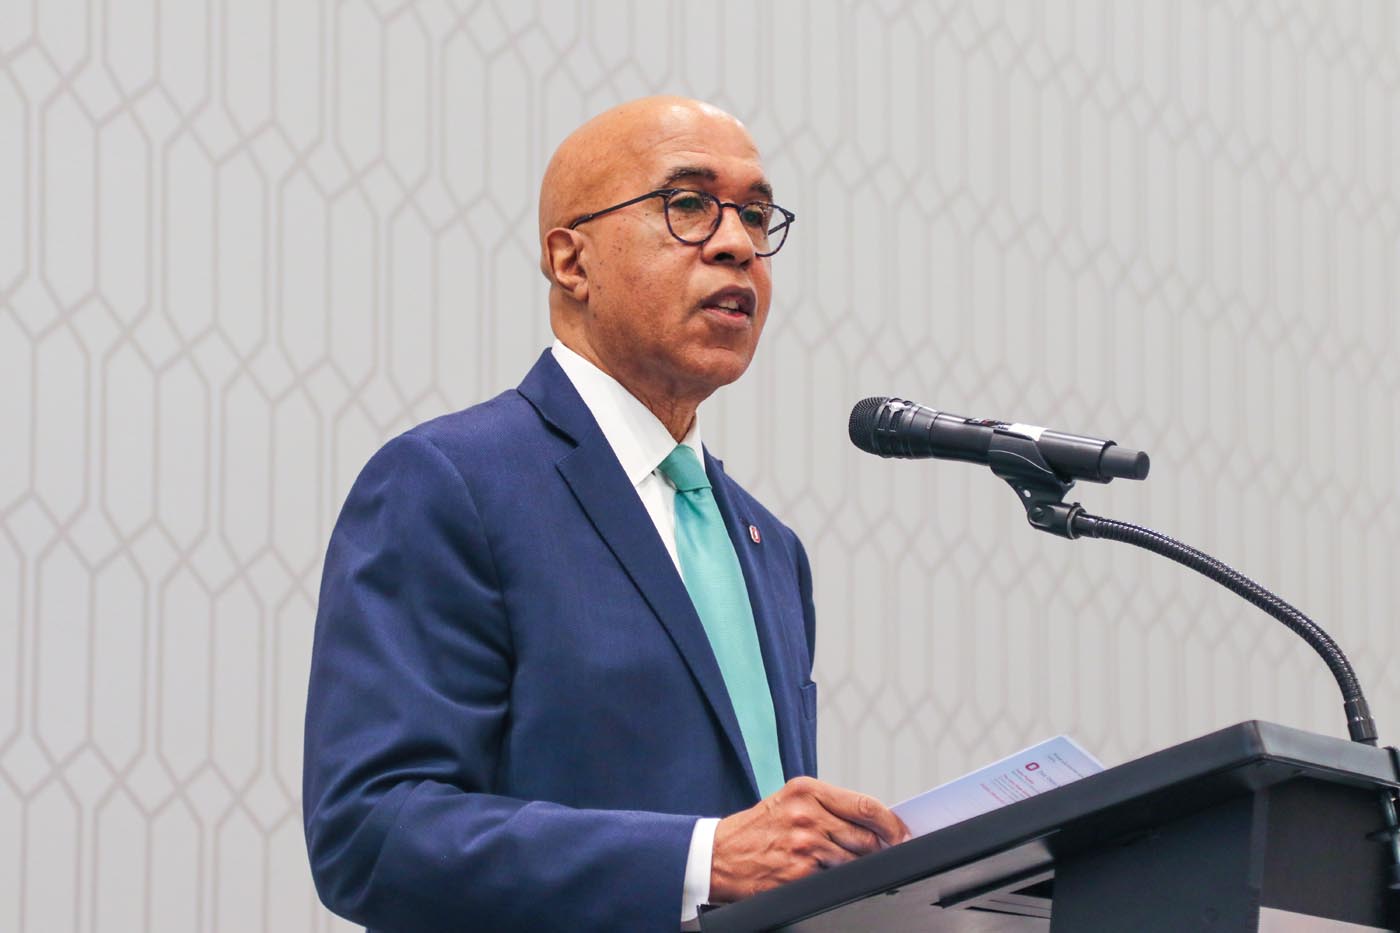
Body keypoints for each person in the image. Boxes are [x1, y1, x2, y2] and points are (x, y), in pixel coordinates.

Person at [303, 96, 909, 932]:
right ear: (570, 261)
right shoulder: (451, 483)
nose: (737, 242)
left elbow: (766, 851)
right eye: (689, 204)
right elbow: (370, 832)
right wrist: (701, 860)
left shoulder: (774, 550)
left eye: (757, 214)